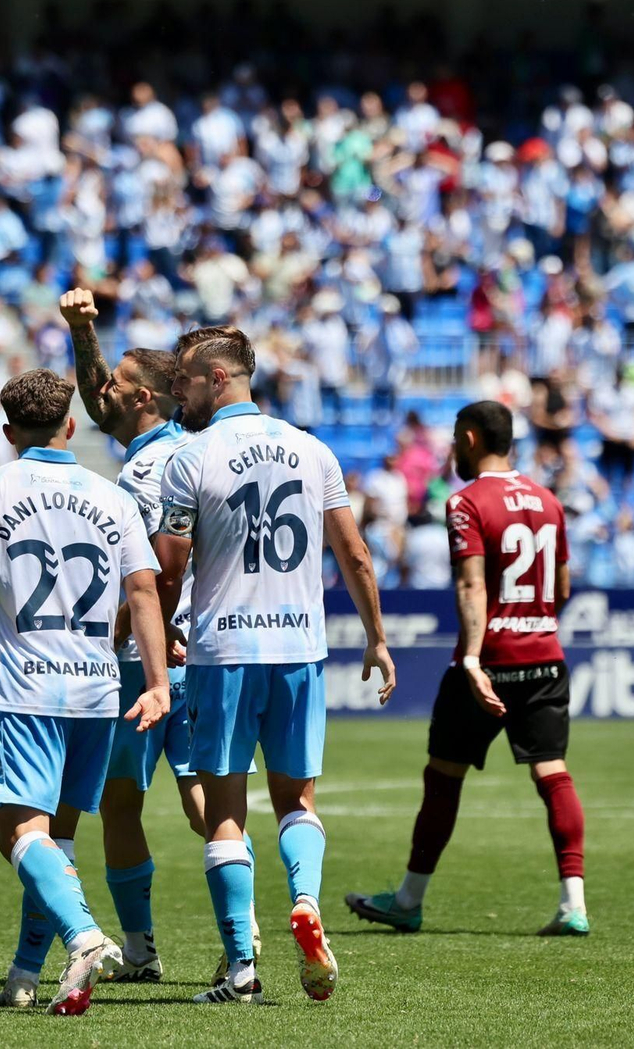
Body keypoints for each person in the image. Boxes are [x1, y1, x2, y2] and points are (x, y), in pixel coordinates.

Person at [0, 368, 171, 1016]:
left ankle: (84, 934)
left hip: (27, 687)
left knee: (18, 835)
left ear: (7, 432)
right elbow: (144, 590)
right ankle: (24, 974)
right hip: (96, 688)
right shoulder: (110, 495)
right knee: (55, 840)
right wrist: (158, 682)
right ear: (70, 425)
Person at [155, 327, 396, 1004]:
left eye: (185, 379)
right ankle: (308, 900)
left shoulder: (189, 457)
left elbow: (170, 568)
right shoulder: (312, 449)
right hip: (299, 650)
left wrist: (157, 631)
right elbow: (354, 554)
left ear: (220, 378)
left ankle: (241, 971)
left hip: (223, 651)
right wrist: (376, 636)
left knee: (225, 813)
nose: (179, 390)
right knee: (298, 800)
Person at [58, 288, 260, 986]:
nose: (100, 397)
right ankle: (246, 930)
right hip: (200, 651)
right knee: (208, 795)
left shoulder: (148, 467)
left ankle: (140, 949)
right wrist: (85, 333)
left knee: (119, 799)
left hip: (146, 655)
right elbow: (94, 392)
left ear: (143, 399)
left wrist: (136, 636)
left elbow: (154, 570)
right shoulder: (199, 451)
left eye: (116, 387)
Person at [346, 401, 590, 936]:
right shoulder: (549, 502)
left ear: (473, 438)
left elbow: (470, 585)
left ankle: (408, 900)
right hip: (545, 656)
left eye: (457, 440)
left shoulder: (465, 502)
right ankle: (574, 904)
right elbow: (564, 588)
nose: (453, 450)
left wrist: (476, 658)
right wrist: (535, 624)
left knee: (443, 776)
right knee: (552, 772)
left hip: (488, 659)